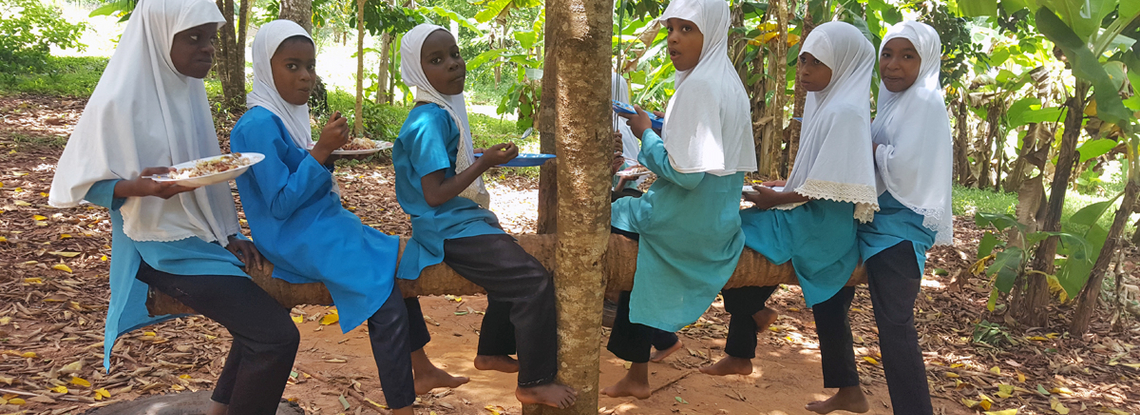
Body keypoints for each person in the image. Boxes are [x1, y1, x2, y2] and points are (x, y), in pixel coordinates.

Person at [48, 1, 298, 413]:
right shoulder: (118, 101)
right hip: (155, 247)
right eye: (194, 38)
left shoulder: (187, 91)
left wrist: (229, 234)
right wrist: (140, 187)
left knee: (265, 323)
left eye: (211, 38)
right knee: (276, 336)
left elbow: (204, 172)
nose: (208, 48)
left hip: (201, 241)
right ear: (159, 37)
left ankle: (219, 409)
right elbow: (83, 184)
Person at [229, 20, 473, 414]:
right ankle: (402, 407)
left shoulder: (282, 115)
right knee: (384, 302)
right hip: (293, 236)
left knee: (399, 264)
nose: (306, 76)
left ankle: (423, 369)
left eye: (310, 66)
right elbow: (279, 204)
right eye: (292, 66)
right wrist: (322, 151)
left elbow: (302, 175)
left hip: (321, 223)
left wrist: (323, 152)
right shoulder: (257, 125)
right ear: (264, 67)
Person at [391, 23, 578, 409]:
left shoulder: (441, 112)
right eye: (436, 60)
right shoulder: (427, 121)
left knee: (509, 266)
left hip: (462, 219)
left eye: (455, 54)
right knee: (533, 281)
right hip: (445, 227)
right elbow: (434, 193)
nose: (453, 64)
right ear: (416, 71)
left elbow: (445, 171)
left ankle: (492, 350)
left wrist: (482, 158)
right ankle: (534, 381)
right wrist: (485, 163)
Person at [698, 21, 879, 415]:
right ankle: (748, 346)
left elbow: (832, 184)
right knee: (830, 306)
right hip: (817, 214)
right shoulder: (830, 102)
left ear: (842, 65)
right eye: (803, 61)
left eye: (815, 63)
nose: (804, 70)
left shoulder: (846, 111)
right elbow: (826, 170)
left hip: (823, 223)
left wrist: (778, 198)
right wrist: (785, 185)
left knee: (736, 230)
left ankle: (752, 317)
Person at [602, 0, 757, 399]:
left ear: (712, 33)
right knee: (633, 233)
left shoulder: (699, 85)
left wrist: (645, 134)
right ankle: (645, 360)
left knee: (609, 214)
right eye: (671, 28)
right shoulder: (727, 81)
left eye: (687, 29)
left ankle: (635, 359)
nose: (673, 38)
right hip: (719, 221)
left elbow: (685, 175)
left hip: (681, 218)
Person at [848, 20, 952, 415]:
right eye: (888, 54)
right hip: (876, 222)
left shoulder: (924, 102)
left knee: (895, 327)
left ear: (926, 62)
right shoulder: (895, 102)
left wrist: (871, 145)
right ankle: (845, 385)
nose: (893, 65)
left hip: (900, 231)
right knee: (830, 289)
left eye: (908, 56)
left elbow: (905, 168)